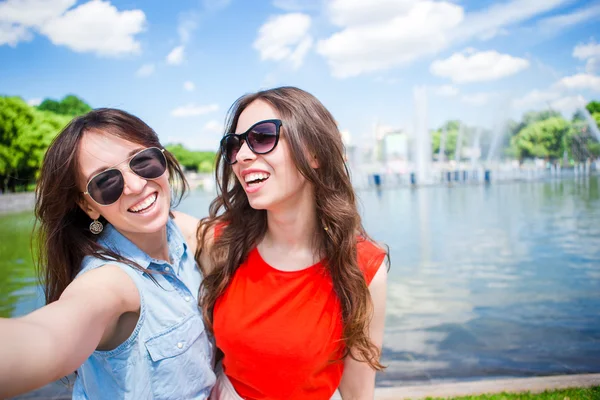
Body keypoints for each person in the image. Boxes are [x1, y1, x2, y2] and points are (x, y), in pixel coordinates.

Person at [0, 109, 215, 399]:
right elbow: (47, 338)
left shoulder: (179, 231)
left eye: (143, 161)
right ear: (88, 206)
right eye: (105, 182)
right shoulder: (110, 282)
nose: (136, 185)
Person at [197, 86, 388, 400]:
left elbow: (357, 391)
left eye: (262, 137)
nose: (242, 156)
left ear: (313, 153)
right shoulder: (220, 244)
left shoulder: (363, 266)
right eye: (234, 145)